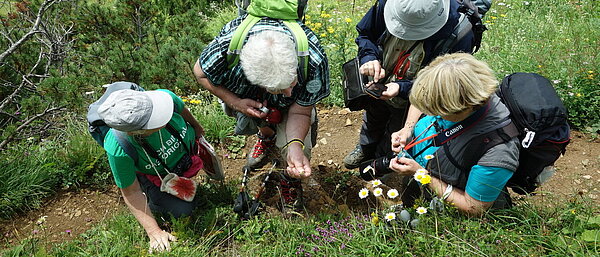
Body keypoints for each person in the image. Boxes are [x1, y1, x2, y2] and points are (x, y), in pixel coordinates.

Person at [193, 18, 330, 211]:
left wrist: (295, 147)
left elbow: (300, 109)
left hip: (291, 110)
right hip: (249, 98)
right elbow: (200, 73)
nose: (290, 93)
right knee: (260, 114)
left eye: (292, 83)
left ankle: (289, 180)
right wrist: (236, 102)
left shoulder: (314, 59)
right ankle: (266, 136)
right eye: (279, 89)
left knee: (300, 148)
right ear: (252, 79)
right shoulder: (227, 48)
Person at [344, 0, 475, 169]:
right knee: (373, 116)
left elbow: (441, 85)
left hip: (416, 100)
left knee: (398, 131)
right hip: (380, 82)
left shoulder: (460, 33)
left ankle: (380, 163)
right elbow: (366, 34)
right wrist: (370, 58)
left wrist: (402, 88)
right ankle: (364, 148)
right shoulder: (388, 4)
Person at [389, 53, 520, 216]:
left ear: (462, 107)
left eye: (436, 110)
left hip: (453, 216)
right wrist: (408, 129)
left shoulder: (498, 150)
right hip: (427, 176)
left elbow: (474, 208)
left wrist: (422, 175)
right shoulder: (466, 88)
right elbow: (422, 100)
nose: (430, 113)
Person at [98, 89, 206, 253]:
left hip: (183, 158)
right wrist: (154, 232)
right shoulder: (119, 147)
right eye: (155, 120)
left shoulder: (163, 98)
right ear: (136, 132)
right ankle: (153, 199)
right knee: (183, 211)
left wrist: (198, 130)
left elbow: (184, 112)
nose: (164, 114)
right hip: (156, 174)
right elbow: (131, 192)